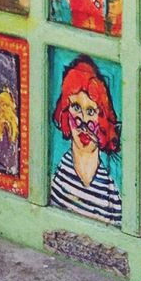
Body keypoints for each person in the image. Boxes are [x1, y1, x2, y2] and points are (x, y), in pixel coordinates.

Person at [49, 55, 121, 225]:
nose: (82, 121)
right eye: (76, 108)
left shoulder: (111, 194)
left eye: (91, 111)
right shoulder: (57, 181)